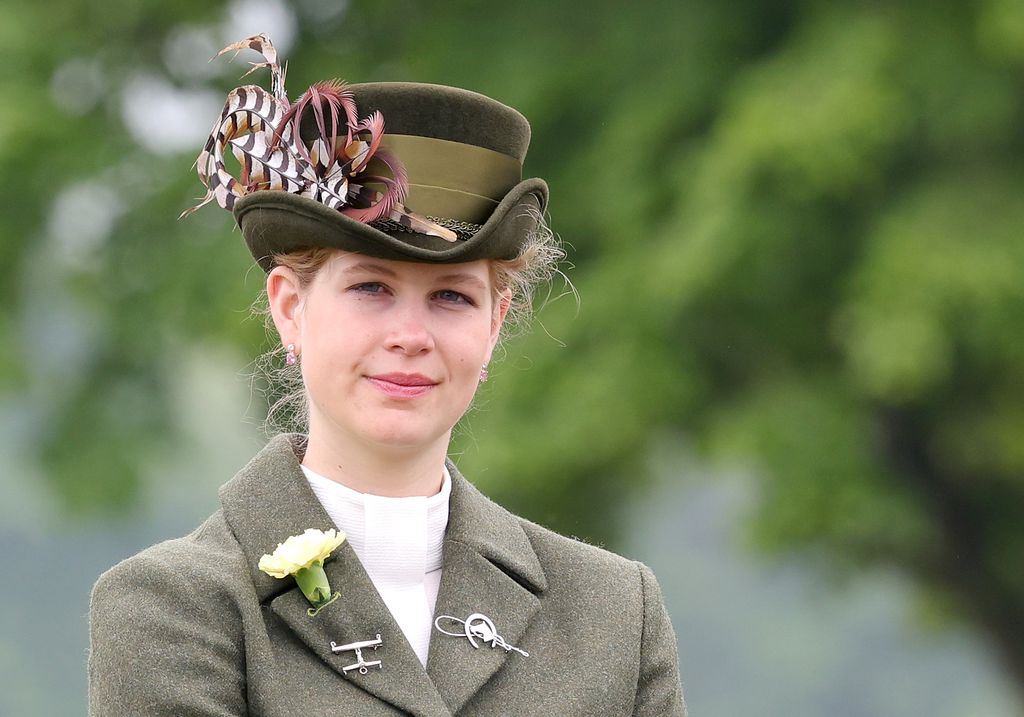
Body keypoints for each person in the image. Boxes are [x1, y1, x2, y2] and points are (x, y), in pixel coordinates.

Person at [88, 34, 686, 716]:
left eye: (452, 296)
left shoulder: (613, 614)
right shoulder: (174, 608)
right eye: (372, 287)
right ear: (290, 308)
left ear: (494, 322)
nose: (410, 336)